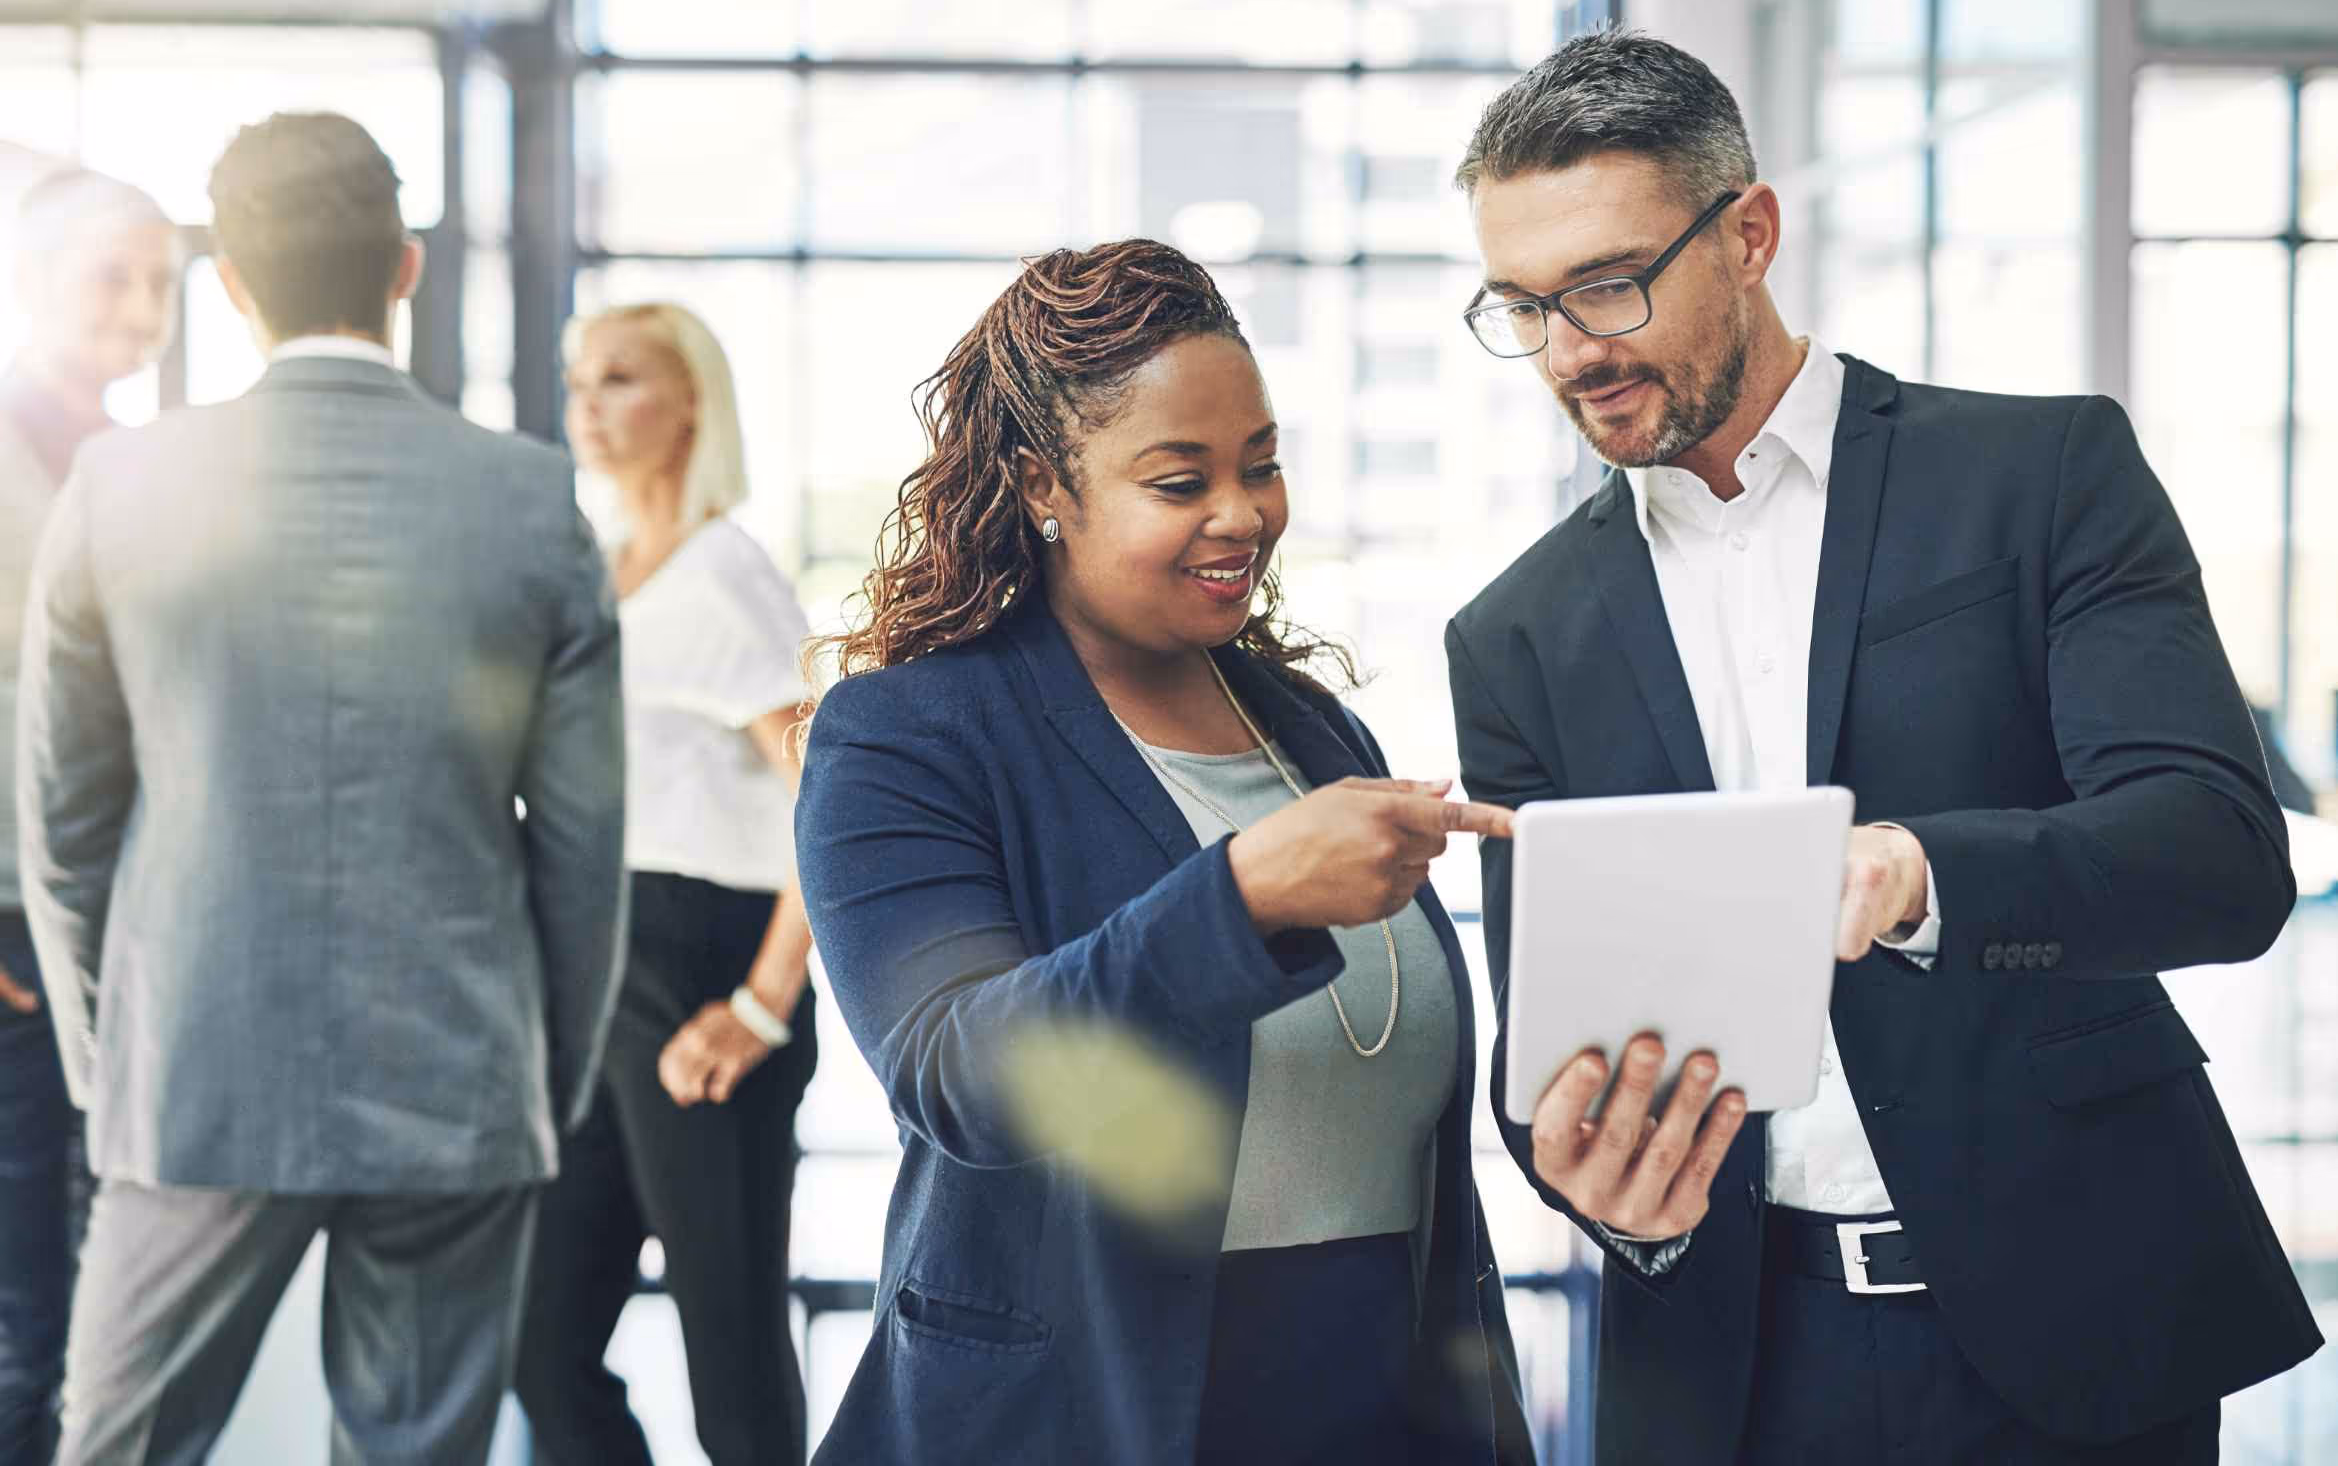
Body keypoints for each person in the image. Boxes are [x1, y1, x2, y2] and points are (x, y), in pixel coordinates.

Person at [1443, 29, 2320, 1466]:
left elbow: (2214, 859)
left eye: (1606, 286)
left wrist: (1915, 874)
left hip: (2078, 1336)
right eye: (1523, 307)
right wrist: (1601, 1189)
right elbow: (1550, 1052)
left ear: (1747, 234)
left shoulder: (2039, 479)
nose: (1571, 352)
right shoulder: (1516, 636)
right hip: (1733, 1376)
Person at [792, 239, 1531, 1466]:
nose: (1241, 515)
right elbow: (959, 1068)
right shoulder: (907, 735)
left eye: (1262, 465)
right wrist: (1243, 895)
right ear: (1046, 485)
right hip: (1086, 1420)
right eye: (1179, 481)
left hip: (1378, 1411)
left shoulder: (1306, 726)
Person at [13, 112, 628, 1465]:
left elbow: (61, 828)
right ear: (403, 268)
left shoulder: (120, 487)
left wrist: (121, 1059)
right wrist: (540, 1075)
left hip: (191, 1073)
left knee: (116, 1445)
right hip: (458, 1073)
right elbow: (585, 851)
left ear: (230, 285)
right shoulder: (533, 501)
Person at [513, 301, 821, 1466]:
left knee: (732, 1373)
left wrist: (760, 1004)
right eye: (577, 379)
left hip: (705, 954)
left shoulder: (723, 573)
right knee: (543, 1347)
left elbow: (833, 807)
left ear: (689, 402)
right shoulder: (599, 570)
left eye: (620, 380)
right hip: (599, 966)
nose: (587, 404)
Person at [0, 164, 177, 1466]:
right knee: (20, 1290)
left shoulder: (146, 466)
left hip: (132, 921)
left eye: (161, 281)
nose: (140, 305)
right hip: (12, 923)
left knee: (111, 1268)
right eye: (110, 275)